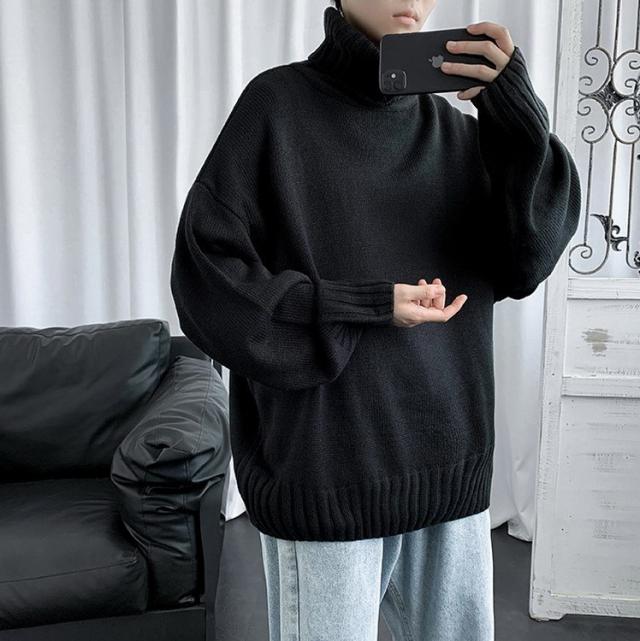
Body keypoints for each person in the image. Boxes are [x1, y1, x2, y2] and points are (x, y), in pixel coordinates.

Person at [170, 0, 582, 639]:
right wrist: (360, 305)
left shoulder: (460, 135)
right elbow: (207, 283)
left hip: (449, 470)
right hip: (324, 476)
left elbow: (527, 262)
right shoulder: (276, 108)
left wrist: (517, 120)